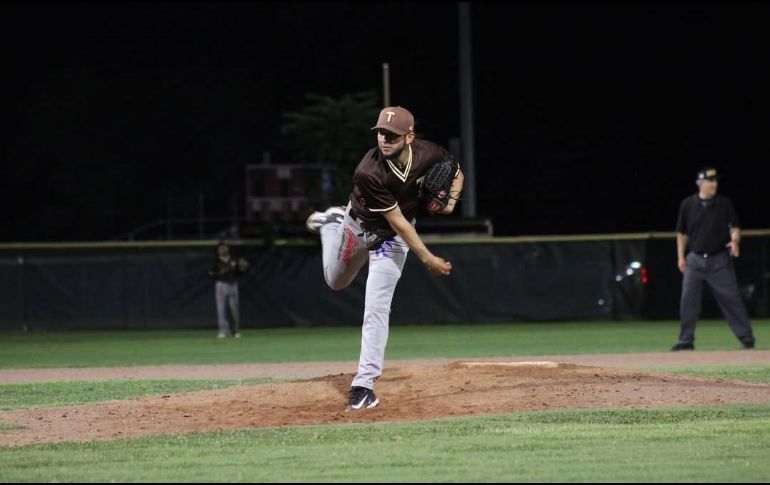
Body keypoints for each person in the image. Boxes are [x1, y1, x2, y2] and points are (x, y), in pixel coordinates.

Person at [305, 106, 464, 411]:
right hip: (360, 228)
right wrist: (428, 258)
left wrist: (450, 204)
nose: (383, 139)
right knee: (334, 282)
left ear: (410, 137)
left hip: (391, 243)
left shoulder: (428, 153)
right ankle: (331, 224)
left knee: (377, 306)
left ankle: (363, 385)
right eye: (380, 133)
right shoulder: (369, 170)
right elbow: (399, 222)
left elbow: (456, 170)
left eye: (391, 135)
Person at [670, 167, 755, 351]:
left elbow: (735, 227)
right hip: (695, 259)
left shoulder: (724, 204)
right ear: (700, 183)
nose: (714, 184)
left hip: (719, 259)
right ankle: (686, 340)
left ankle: (746, 338)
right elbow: (682, 233)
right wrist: (680, 257)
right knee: (688, 300)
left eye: (716, 181)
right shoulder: (687, 204)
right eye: (710, 181)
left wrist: (734, 240)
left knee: (731, 298)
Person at [208, 241, 250, 338]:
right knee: (221, 308)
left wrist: (242, 269)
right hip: (221, 285)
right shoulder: (216, 261)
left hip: (233, 284)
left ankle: (235, 331)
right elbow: (211, 274)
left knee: (234, 309)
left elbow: (240, 272)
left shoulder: (233, 259)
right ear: (218, 251)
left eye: (224, 247)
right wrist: (219, 273)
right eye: (220, 248)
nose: (223, 249)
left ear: (227, 248)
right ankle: (223, 330)